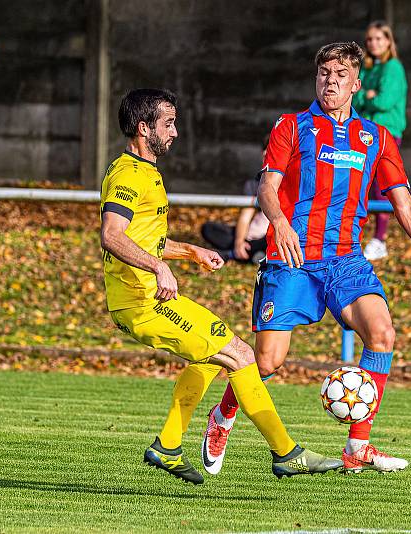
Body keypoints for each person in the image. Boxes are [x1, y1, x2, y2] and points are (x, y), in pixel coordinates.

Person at [201, 43, 411, 475]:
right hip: (289, 255)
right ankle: (223, 417)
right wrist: (281, 224)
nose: (331, 80)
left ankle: (357, 447)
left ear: (356, 83)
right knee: (267, 361)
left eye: (340, 73)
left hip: (345, 260)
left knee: (381, 332)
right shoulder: (291, 127)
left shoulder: (376, 138)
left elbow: (404, 206)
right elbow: (266, 189)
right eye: (324, 72)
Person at [99, 88, 342, 484]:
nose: (175, 132)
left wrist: (187, 252)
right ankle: (286, 453)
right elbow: (112, 235)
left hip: (142, 297)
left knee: (209, 358)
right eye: (168, 123)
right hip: (142, 301)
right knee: (241, 355)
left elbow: (141, 238)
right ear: (144, 128)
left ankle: (168, 445)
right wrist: (159, 268)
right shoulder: (129, 174)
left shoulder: (143, 171)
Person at [353, 21, 408, 261]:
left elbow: (385, 101)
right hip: (362, 133)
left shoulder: (393, 68)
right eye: (370, 39)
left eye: (378, 38)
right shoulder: (365, 68)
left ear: (388, 41)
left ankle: (380, 239)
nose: (374, 43)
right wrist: (367, 95)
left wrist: (364, 97)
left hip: (386, 134)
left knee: (382, 187)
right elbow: (353, 99)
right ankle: (355, 236)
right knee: (358, 184)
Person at [201, 138, 270, 264]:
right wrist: (239, 241)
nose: (267, 156)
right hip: (253, 235)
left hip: (273, 234)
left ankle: (233, 254)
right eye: (265, 152)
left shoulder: (290, 182)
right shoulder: (255, 183)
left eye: (271, 152)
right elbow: (245, 217)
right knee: (209, 229)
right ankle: (251, 253)